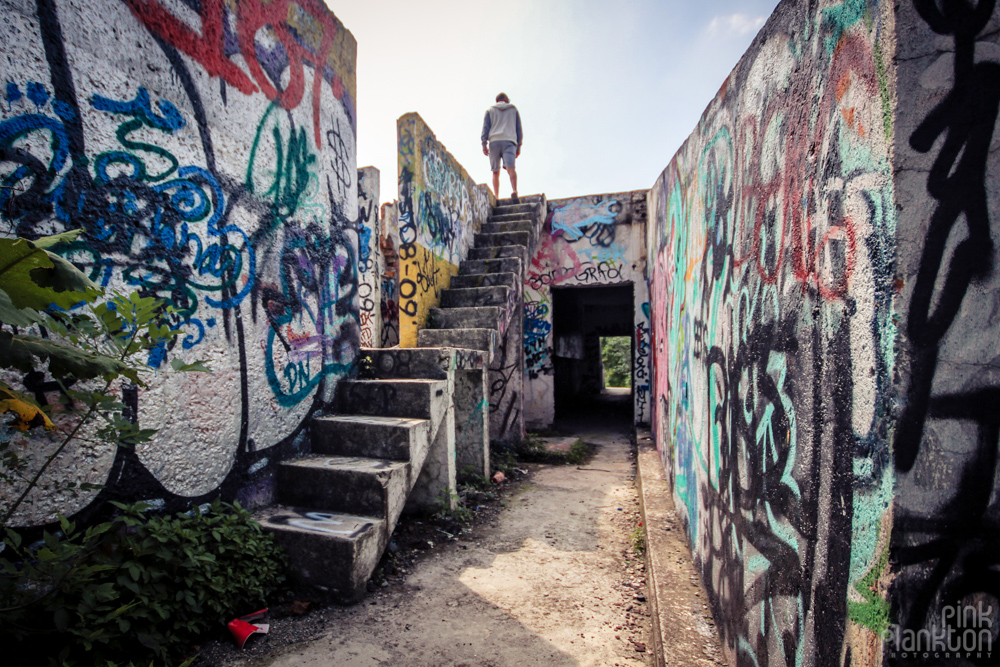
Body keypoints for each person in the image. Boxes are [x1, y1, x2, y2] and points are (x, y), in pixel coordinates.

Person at [481, 93, 522, 203]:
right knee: (511, 168)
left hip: (494, 142)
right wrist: (519, 146)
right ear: (505, 99)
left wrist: (484, 143)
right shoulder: (513, 110)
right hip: (509, 141)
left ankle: (496, 196)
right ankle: (514, 191)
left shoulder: (490, 110)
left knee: (495, 171)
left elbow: (486, 128)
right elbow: (518, 129)